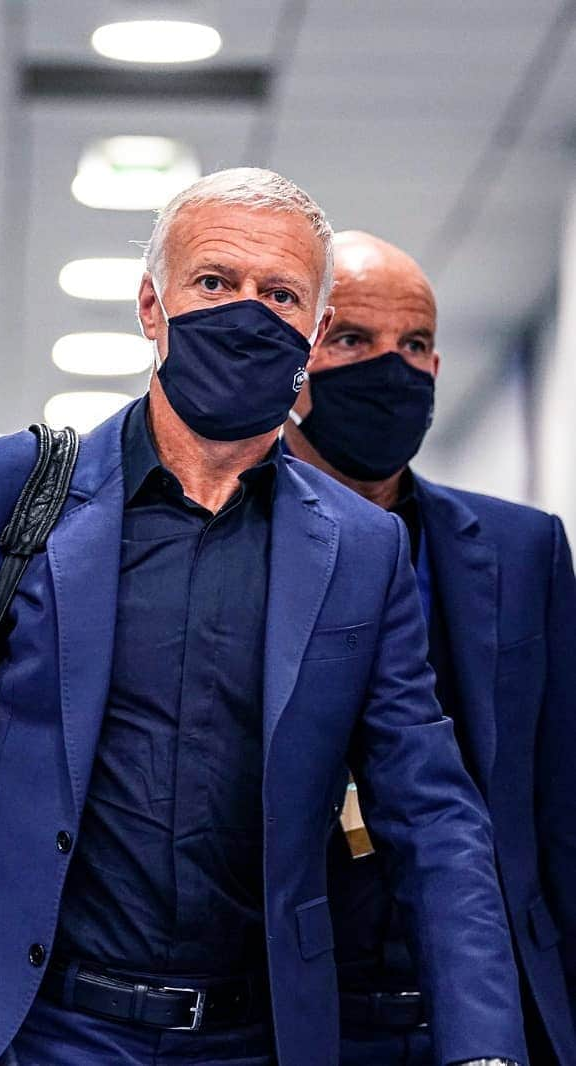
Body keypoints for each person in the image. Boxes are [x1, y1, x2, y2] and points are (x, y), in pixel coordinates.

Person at [0, 169, 527, 1066]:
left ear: (312, 336)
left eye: (279, 295)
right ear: (151, 308)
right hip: (27, 1026)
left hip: (255, 1035)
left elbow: (431, 811)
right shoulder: (2, 498)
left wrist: (484, 1048)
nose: (246, 312)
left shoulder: (361, 549)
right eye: (213, 283)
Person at [284, 230, 576, 1065]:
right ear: (297, 367)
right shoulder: (232, 538)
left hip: (487, 1002)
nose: (392, 369)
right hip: (293, 1005)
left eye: (414, 346)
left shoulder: (522, 550)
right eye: (352, 340)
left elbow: (559, 801)